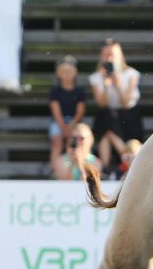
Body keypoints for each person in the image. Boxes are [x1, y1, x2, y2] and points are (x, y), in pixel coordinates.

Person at [90, 40, 143, 174]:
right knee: (106, 116)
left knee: (107, 126)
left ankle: (107, 167)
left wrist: (118, 85)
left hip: (128, 117)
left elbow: (126, 103)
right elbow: (102, 103)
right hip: (109, 117)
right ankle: (125, 159)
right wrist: (107, 86)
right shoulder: (96, 77)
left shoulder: (131, 74)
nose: (109, 58)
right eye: (106, 55)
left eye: (112, 54)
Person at [48, 55, 87, 173]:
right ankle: (55, 170)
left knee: (75, 141)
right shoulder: (55, 91)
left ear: (75, 73)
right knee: (57, 141)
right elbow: (56, 111)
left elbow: (80, 111)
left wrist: (71, 125)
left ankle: (77, 169)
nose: (66, 74)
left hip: (74, 121)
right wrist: (63, 126)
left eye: (69, 71)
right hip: (58, 122)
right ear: (58, 73)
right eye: (63, 71)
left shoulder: (80, 91)